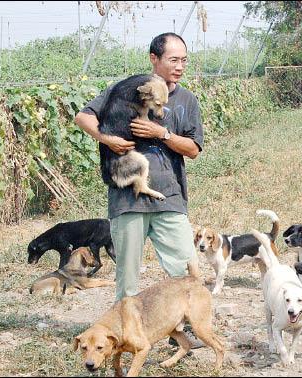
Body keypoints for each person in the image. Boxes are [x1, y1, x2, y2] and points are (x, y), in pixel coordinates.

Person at [74, 32, 204, 347]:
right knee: (127, 278)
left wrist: (161, 133)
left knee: (186, 269)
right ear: (154, 59)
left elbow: (193, 149)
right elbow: (83, 116)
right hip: (127, 200)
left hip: (169, 197)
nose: (180, 67)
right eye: (173, 60)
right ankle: (124, 336)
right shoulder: (123, 91)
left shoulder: (186, 100)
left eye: (184, 60)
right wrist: (107, 139)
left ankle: (183, 330)